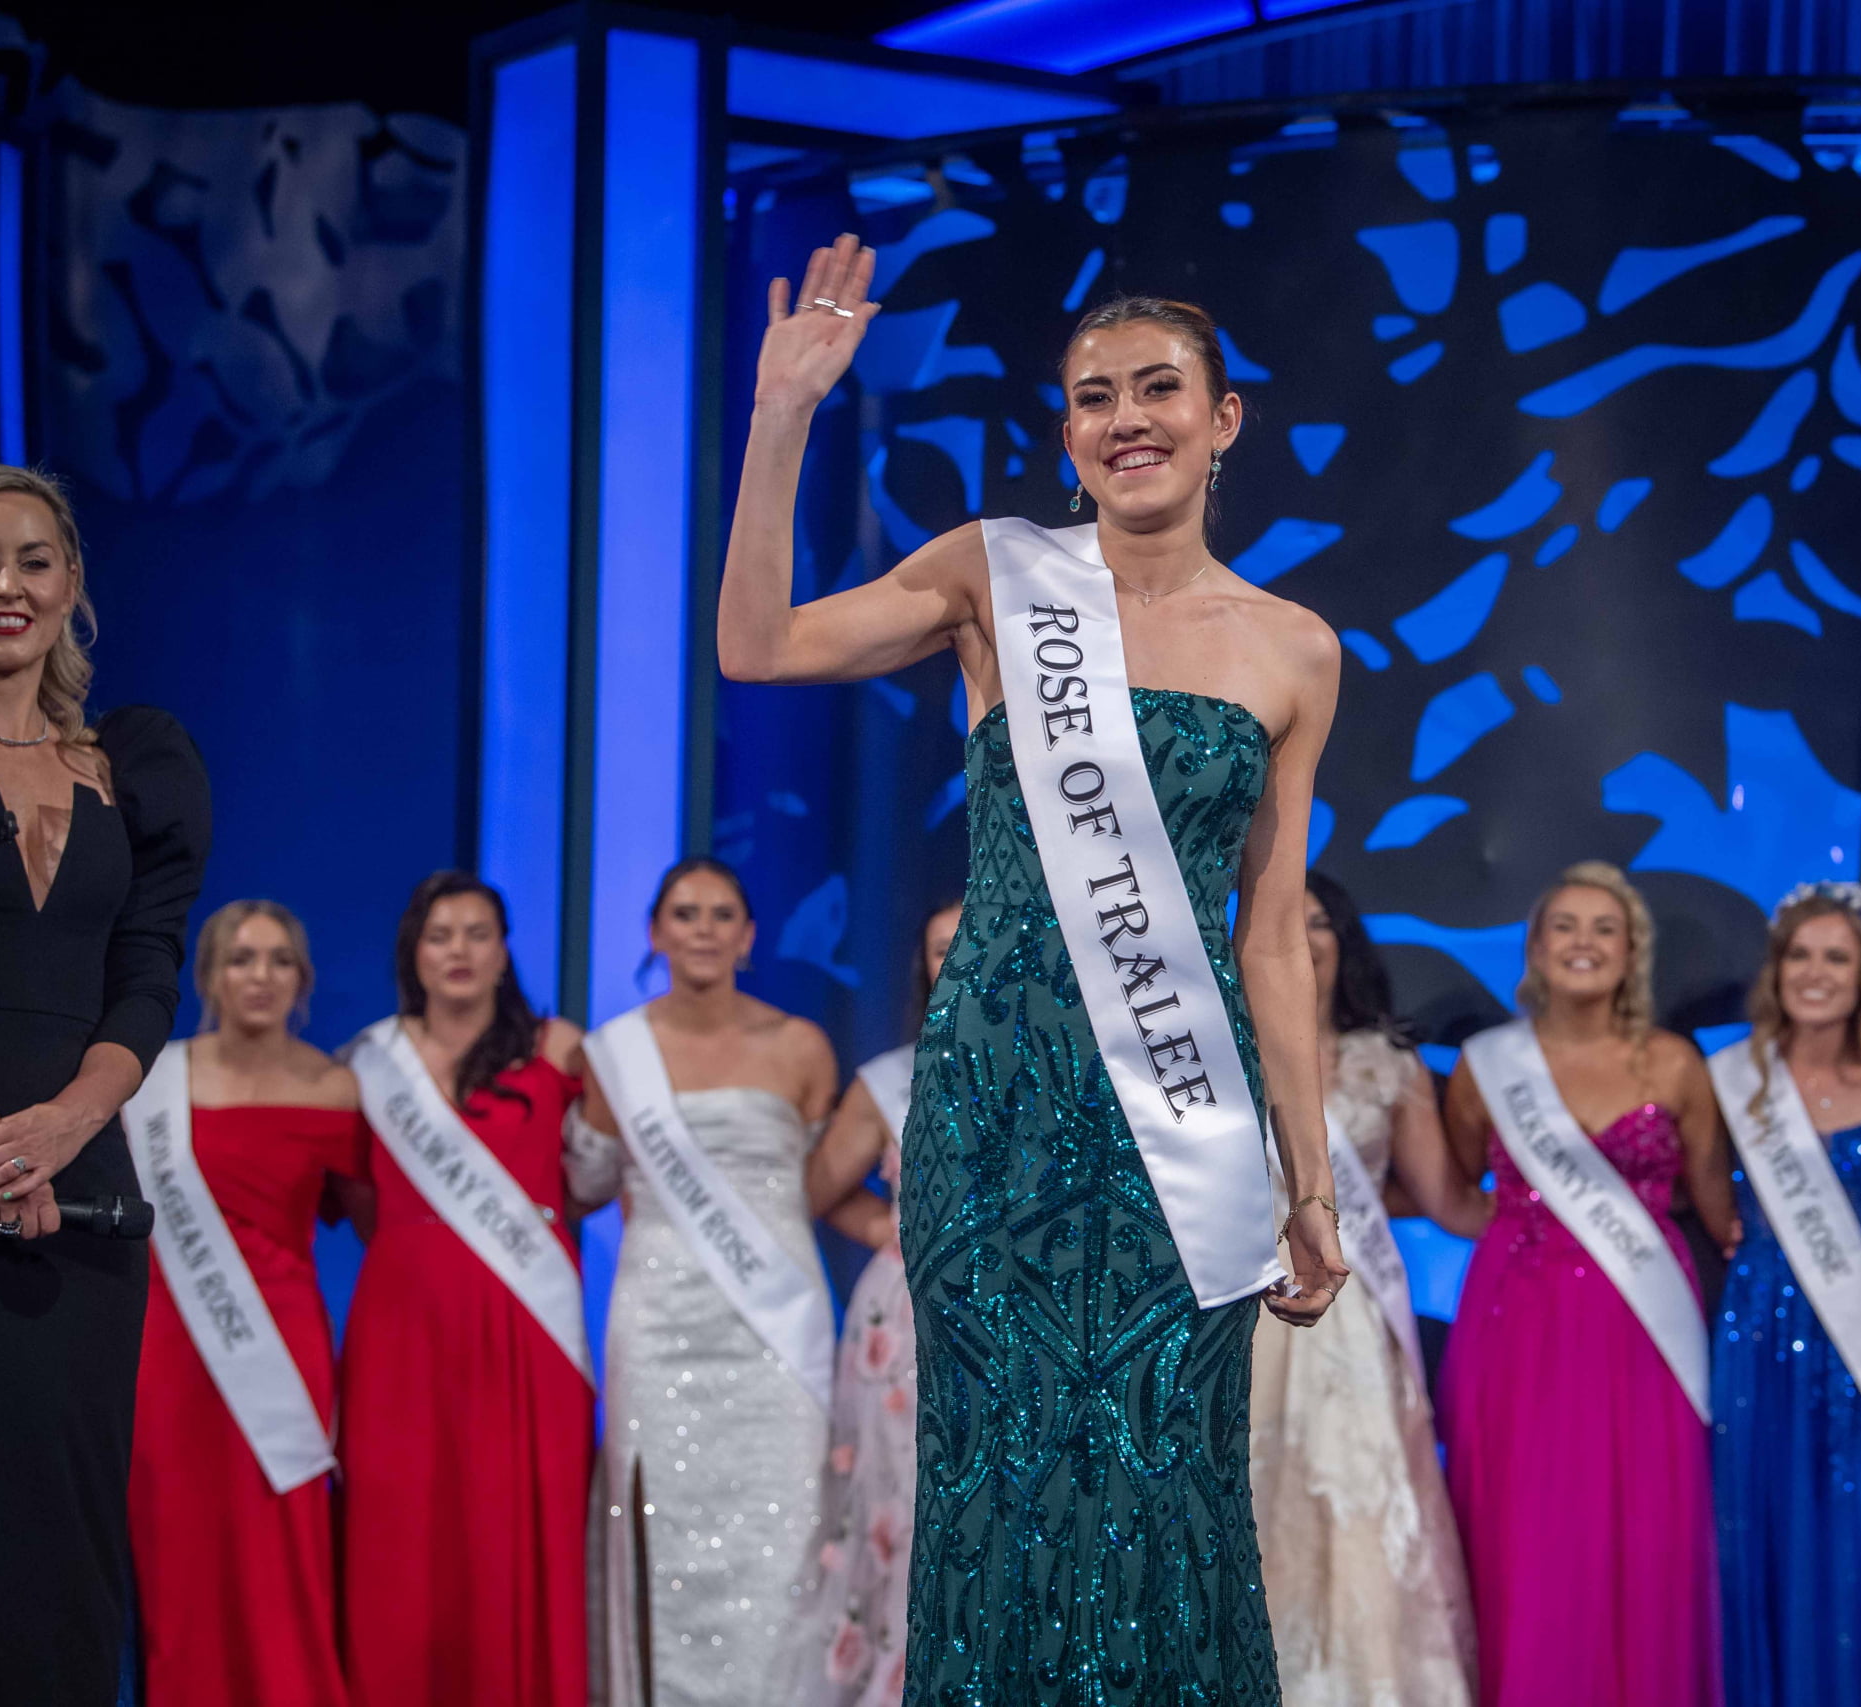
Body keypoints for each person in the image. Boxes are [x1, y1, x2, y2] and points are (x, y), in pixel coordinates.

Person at [716, 234, 1346, 1701]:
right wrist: (783, 413)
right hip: (996, 1112)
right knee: (1000, 1485)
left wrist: (1307, 1185)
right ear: (1065, 432)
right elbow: (756, 646)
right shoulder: (997, 576)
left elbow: (1269, 936)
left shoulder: (1295, 648)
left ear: (1223, 415)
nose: (1127, 417)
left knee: (1158, 1485)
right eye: (1093, 396)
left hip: (1179, 1134)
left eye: (1158, 389)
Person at [0, 465, 209, 1706]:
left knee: (61, 1537)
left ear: (70, 585)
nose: (4, 588)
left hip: (81, 1201)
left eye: (29, 560)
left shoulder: (135, 765)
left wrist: (65, 1131)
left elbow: (147, 975)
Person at [1439, 861, 1725, 1707]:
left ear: (1632, 949)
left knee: (1640, 1529)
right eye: (1564, 925)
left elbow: (1717, 1204)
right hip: (1517, 1320)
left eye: (1605, 927)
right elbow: (1458, 1187)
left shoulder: (1676, 1065)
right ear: (1533, 947)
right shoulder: (1484, 1064)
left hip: (1644, 1327)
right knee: (1527, 1527)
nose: (1583, 943)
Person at [572, 857, 842, 1706]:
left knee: (783, 1535)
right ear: (655, 932)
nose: (703, 928)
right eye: (684, 913)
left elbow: (828, 1181)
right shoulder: (612, 1052)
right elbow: (583, 1183)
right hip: (658, 1319)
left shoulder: (802, 1045)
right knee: (665, 1537)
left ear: (749, 935)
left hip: (777, 1329)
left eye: (722, 913)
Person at [1696, 881, 1861, 1707]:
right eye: (1801, 955)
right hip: (1760, 1321)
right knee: (1768, 1516)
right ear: (1777, 969)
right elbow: (1712, 1198)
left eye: (1837, 958)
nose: (1816, 973)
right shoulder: (1731, 1076)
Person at [338, 873, 591, 1707]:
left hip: (528, 1320)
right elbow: (363, 1199)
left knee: (512, 1523)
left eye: (478, 933)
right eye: (440, 934)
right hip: (403, 1319)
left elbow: (595, 1177)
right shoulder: (367, 1059)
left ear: (504, 950)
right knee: (400, 1523)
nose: (459, 950)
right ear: (414, 950)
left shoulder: (558, 1047)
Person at [1250, 870, 1488, 1704]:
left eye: (1321, 922)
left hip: (1351, 1322)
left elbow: (1448, 1201)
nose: (1306, 936)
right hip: (1244, 1319)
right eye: (1286, 920)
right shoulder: (1212, 1059)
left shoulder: (1386, 1065)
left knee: (1352, 1504)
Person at [127, 901, 359, 1707]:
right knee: (177, 1543)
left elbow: (374, 1214)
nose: (260, 976)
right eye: (241, 958)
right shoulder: (150, 1081)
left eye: (279, 960)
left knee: (283, 1541)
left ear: (302, 978)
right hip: (169, 1347)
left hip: (283, 1343)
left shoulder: (337, 1088)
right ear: (209, 975)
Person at [803, 897, 962, 1707]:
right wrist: (891, 1233)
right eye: (942, 947)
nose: (960, 955)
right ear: (922, 967)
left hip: (1020, 1321)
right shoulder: (891, 1078)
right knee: (904, 1507)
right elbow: (818, 1189)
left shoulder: (1063, 1066)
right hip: (906, 1324)